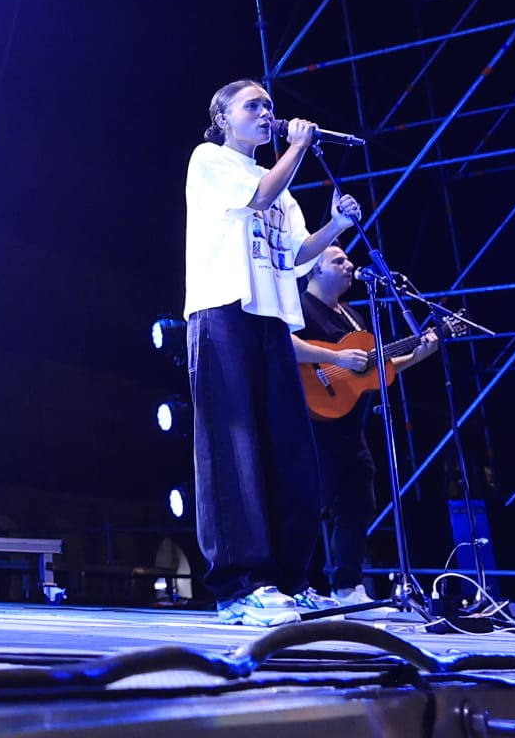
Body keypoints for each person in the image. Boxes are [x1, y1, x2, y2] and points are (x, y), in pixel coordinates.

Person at [183, 78, 367, 626]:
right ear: (223, 118)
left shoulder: (281, 187)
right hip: (223, 312)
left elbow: (298, 255)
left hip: (272, 318)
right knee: (234, 451)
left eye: (269, 105)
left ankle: (290, 579)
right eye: (253, 106)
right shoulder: (211, 161)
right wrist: (299, 147)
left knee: (290, 452)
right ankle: (241, 586)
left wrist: (337, 223)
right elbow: (257, 198)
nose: (266, 113)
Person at [299, 243, 437, 607]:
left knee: (359, 502)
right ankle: (295, 583)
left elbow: (372, 371)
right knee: (310, 505)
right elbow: (284, 346)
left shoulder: (354, 316)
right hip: (313, 425)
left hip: (350, 427)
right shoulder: (300, 308)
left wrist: (417, 355)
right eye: (338, 260)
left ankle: (347, 586)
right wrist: (336, 357)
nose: (349, 265)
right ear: (315, 269)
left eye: (347, 259)